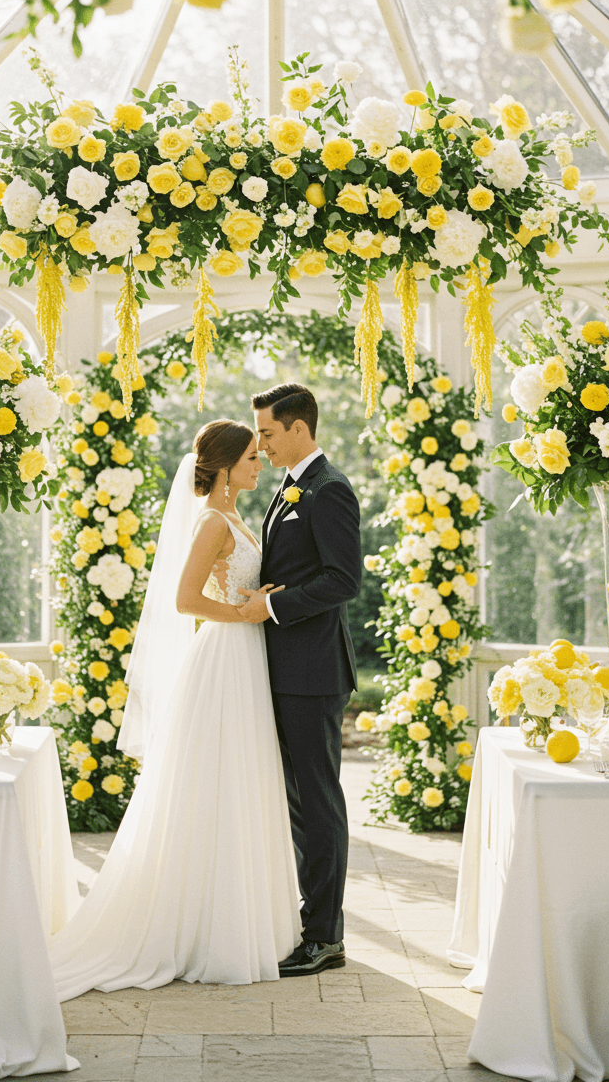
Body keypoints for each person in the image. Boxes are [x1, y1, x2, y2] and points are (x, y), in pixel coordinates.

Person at [48, 420, 301, 1000]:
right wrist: (245, 614)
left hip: (245, 655)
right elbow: (185, 599)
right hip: (223, 656)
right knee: (212, 782)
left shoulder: (236, 517)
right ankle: (203, 929)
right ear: (227, 465)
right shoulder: (213, 521)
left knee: (239, 782)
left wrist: (259, 602)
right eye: (251, 459)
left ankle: (238, 919)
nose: (259, 465)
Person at [237, 383, 362, 978]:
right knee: (297, 804)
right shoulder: (291, 488)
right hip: (285, 667)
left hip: (313, 671)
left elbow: (343, 580)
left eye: (266, 432)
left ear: (298, 429)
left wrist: (275, 607)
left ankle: (326, 938)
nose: (260, 444)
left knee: (318, 804)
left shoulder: (328, 489)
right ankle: (310, 921)